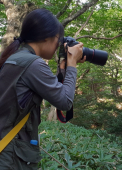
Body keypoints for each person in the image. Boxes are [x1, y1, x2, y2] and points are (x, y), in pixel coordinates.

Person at [0, 8, 85, 169]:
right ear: (47, 37)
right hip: (10, 156)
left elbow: (54, 89)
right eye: (57, 40)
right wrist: (72, 63)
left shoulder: (15, 58)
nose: (57, 45)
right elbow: (65, 101)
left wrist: (63, 65)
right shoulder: (33, 64)